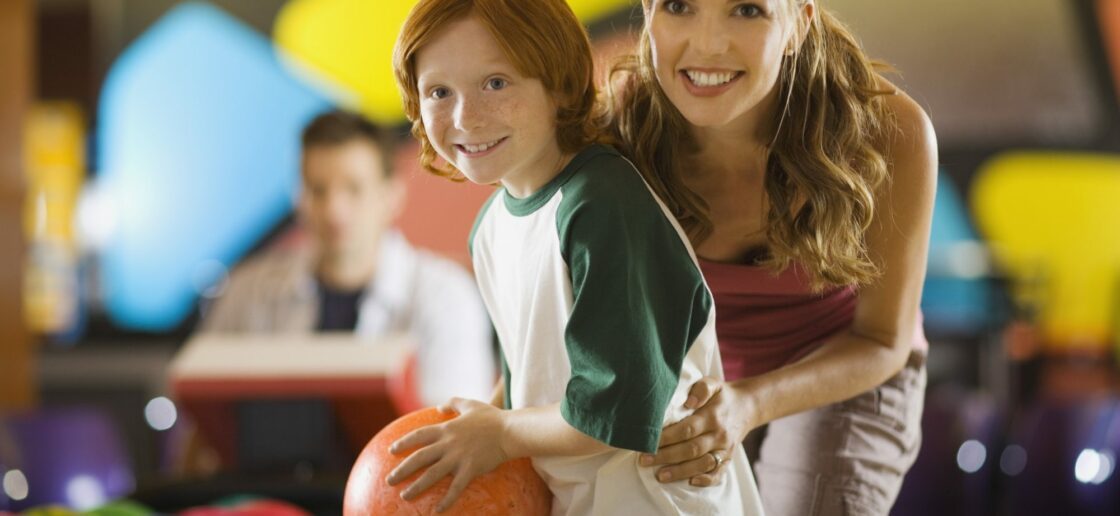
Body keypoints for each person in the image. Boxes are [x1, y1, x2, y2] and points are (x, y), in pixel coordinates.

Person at [384, 0, 764, 514]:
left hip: (659, 501)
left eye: (496, 83)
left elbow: (617, 410)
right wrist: (485, 419)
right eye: (439, 92)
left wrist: (498, 432)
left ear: (560, 85)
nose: (464, 117)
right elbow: (535, 367)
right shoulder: (493, 226)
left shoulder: (601, 203)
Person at [608, 1, 936, 514]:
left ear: (798, 22)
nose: (709, 43)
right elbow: (566, 301)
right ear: (649, 10)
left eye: (747, 9)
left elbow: (880, 341)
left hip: (843, 366)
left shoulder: (888, 132)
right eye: (678, 6)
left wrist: (752, 402)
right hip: (691, 376)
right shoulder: (620, 127)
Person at [200, 109, 496, 408]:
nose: (334, 210)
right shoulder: (246, 293)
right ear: (298, 197)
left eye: (354, 189)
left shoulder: (446, 296)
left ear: (391, 196)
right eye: (318, 190)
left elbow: (456, 428)